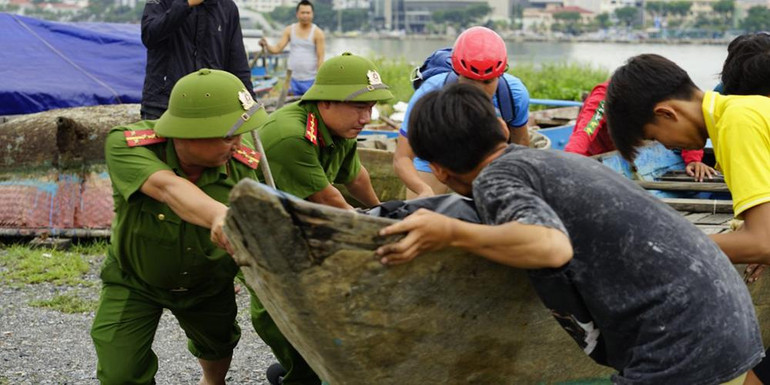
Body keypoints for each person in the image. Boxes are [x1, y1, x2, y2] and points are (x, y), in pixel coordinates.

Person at [376, 82, 763, 384]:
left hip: (679, 343)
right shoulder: (550, 162)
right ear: (499, 128)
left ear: (440, 171)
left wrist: (451, 232)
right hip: (731, 320)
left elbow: (549, 245)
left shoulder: (497, 178)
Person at [90, 69, 268, 385]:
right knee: (120, 372)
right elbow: (167, 188)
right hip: (136, 279)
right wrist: (219, 216)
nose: (237, 143)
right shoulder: (129, 145)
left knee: (218, 343)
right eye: (228, 136)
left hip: (208, 282)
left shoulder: (242, 167)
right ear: (189, 132)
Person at [249, 52, 394, 385]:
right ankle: (299, 375)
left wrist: (384, 211)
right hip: (258, 229)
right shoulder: (293, 136)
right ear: (325, 102)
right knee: (279, 309)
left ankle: (299, 375)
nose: (367, 117)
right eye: (360, 107)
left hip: (297, 221)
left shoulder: (339, 129)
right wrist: (380, 231)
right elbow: (328, 197)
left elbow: (355, 177)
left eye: (371, 108)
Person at [605, 53, 770, 268]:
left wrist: (656, 248)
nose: (666, 147)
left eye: (654, 137)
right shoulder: (747, 108)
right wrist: (746, 243)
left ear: (666, 113)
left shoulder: (735, 123)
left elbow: (763, 243)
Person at [393, 26, 530, 199]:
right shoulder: (430, 92)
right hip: (437, 155)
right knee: (420, 211)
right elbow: (402, 157)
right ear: (456, 72)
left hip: (489, 157)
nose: (478, 90)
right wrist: (423, 190)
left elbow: (521, 150)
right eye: (470, 80)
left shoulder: (513, 94)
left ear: (500, 74)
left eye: (487, 81)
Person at [565, 80, 717, 181]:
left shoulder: (655, 95)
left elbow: (682, 121)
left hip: (632, 155)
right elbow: (585, 132)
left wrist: (693, 159)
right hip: (597, 158)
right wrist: (568, 164)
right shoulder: (604, 97)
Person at [140, 0, 253, 120]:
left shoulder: (228, 7)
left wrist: (251, 105)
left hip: (210, 107)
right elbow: (149, 36)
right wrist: (185, 4)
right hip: (163, 105)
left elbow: (238, 64)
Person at [260, 0, 325, 96]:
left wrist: (318, 80)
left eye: (308, 13)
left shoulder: (318, 33)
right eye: (303, 13)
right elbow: (277, 48)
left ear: (312, 14)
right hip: (292, 79)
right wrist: (266, 45)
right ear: (297, 14)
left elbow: (320, 58)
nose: (305, 15)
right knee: (291, 106)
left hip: (311, 79)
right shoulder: (290, 30)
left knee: (310, 109)